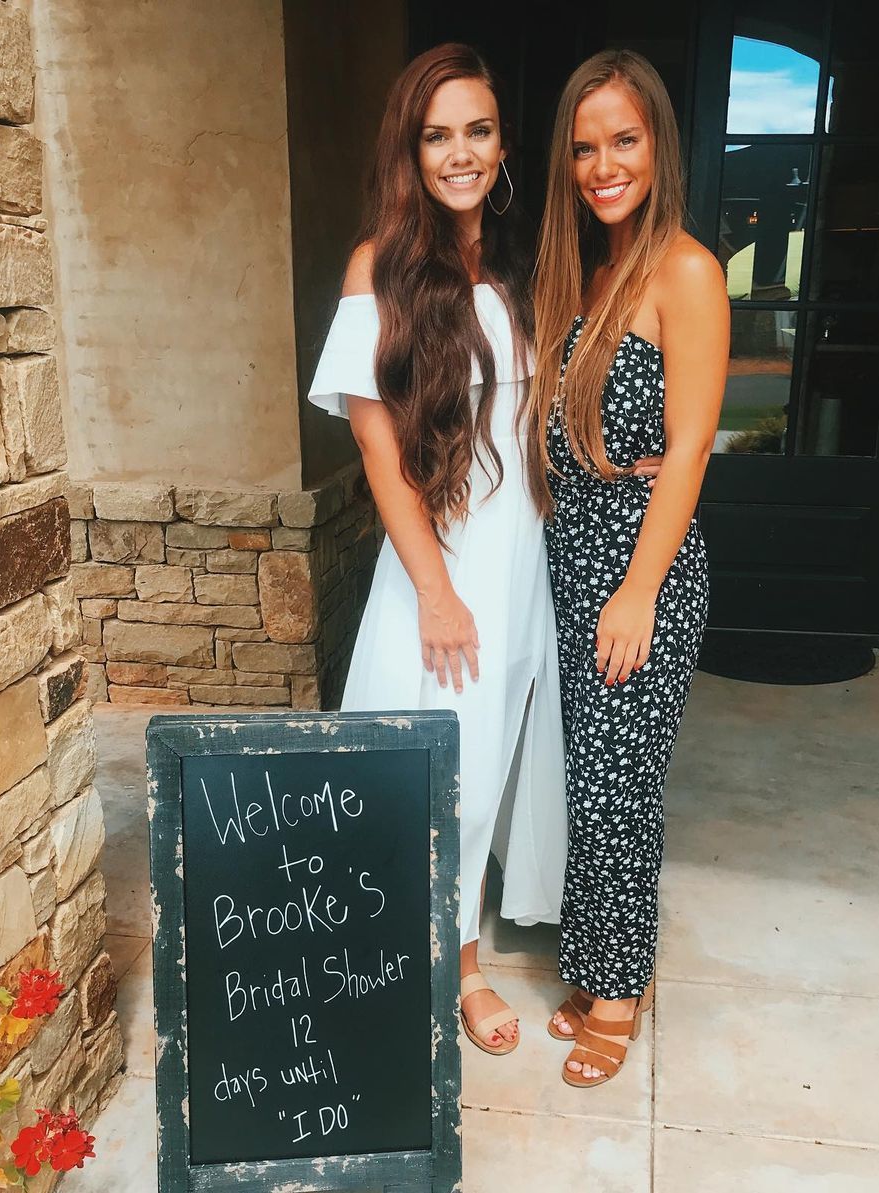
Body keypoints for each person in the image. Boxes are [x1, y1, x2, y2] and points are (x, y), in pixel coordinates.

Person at [307, 44, 567, 1056]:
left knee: (486, 762)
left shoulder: (517, 263)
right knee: (428, 772)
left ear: (502, 146)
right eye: (438, 135)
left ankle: (448, 948)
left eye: (478, 131)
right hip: (442, 563)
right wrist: (435, 589)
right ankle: (448, 970)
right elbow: (377, 447)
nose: (460, 153)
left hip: (519, 559)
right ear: (410, 151)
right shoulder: (378, 267)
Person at [527, 49, 729, 1087]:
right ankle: (597, 959)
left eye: (624, 140)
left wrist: (639, 588)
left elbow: (688, 449)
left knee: (620, 786)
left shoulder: (685, 270)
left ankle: (618, 990)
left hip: (639, 559)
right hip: (572, 550)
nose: (604, 166)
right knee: (586, 774)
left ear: (660, 146)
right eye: (585, 147)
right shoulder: (589, 273)